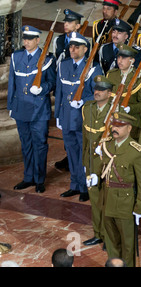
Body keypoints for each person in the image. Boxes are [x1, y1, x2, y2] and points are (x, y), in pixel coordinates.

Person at [55, 32, 103, 202]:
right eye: (70, 46)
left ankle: (86, 187)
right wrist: (58, 117)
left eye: (76, 47)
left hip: (84, 117)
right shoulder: (63, 65)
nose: (72, 49)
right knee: (71, 152)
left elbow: (98, 93)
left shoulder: (93, 67)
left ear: (85, 49)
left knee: (85, 155)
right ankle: (75, 185)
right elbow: (60, 92)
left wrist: (83, 100)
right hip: (67, 117)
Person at [8, 25, 56, 194]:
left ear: (38, 40)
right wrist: (10, 106)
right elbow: (12, 83)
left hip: (38, 110)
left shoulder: (47, 59)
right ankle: (28, 177)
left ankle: (39, 179)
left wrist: (42, 89)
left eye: (30, 39)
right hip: (21, 108)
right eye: (24, 39)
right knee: (26, 144)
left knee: (40, 145)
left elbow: (52, 82)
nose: (26, 42)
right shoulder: (16, 56)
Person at [99, 111, 141, 267]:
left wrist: (140, 208)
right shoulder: (107, 144)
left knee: (128, 245)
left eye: (119, 126)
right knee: (111, 241)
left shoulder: (136, 151)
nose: (115, 128)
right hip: (108, 200)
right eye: (113, 125)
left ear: (129, 128)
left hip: (126, 204)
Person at [81, 75, 115, 247]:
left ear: (109, 93)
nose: (97, 92)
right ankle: (98, 233)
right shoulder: (87, 108)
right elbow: (85, 138)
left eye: (102, 91)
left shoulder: (115, 111)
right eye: (96, 89)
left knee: (109, 201)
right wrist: (85, 163)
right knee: (95, 200)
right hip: (92, 162)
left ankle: (110, 236)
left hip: (108, 163)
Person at [106, 44, 141, 140]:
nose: (120, 61)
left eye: (124, 58)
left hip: (130, 122)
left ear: (132, 60)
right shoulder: (111, 75)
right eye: (119, 57)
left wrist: (130, 108)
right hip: (111, 120)